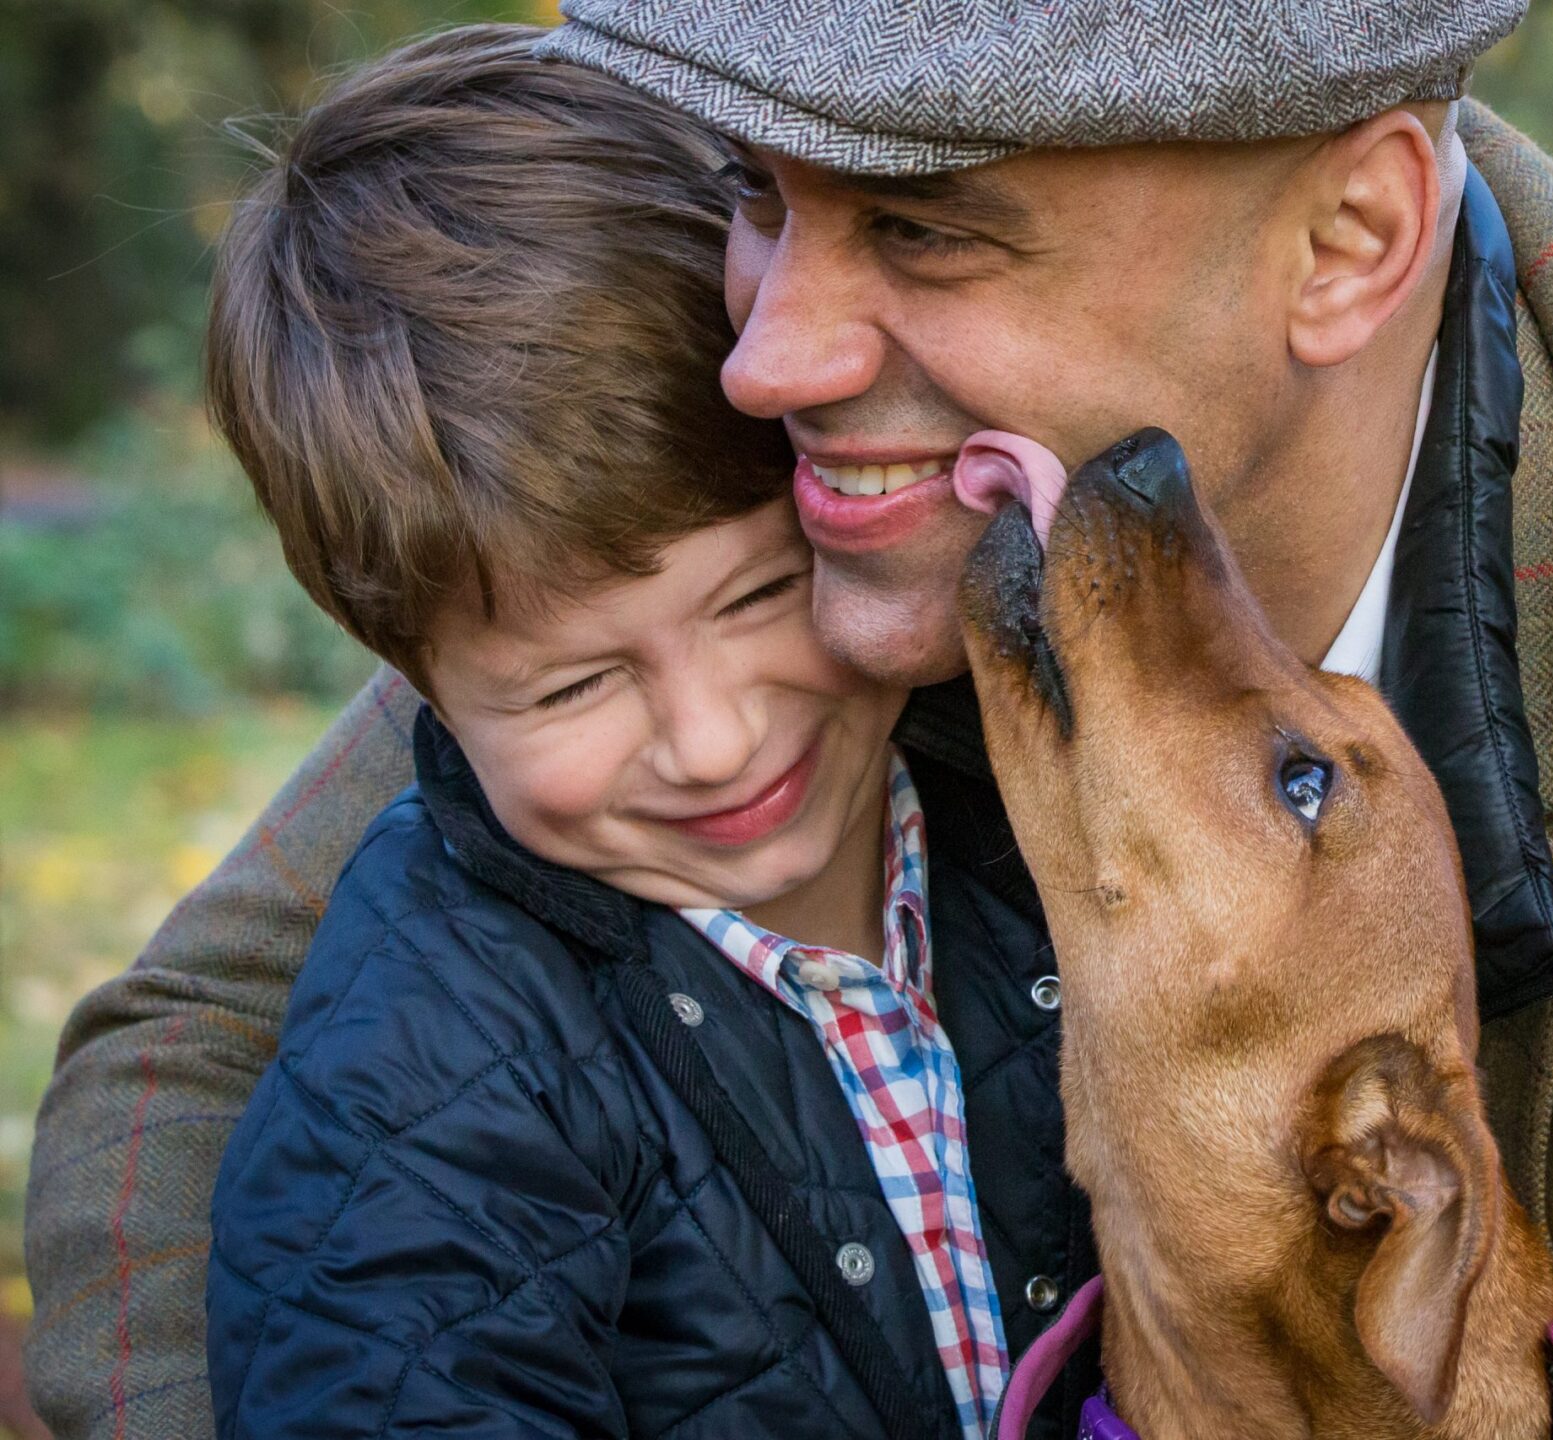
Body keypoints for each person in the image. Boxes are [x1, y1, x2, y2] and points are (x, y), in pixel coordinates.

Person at [26, 2, 1553, 1436]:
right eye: (757, 194)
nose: (762, 356)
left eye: (927, 230)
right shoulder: (818, 531)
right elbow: (193, 1064)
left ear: (1349, 239)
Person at [171, 25, 1020, 1438]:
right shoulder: (423, 1082)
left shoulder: (1025, 818)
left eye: (757, 593)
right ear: (417, 689)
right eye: (572, 687)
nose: (708, 738)